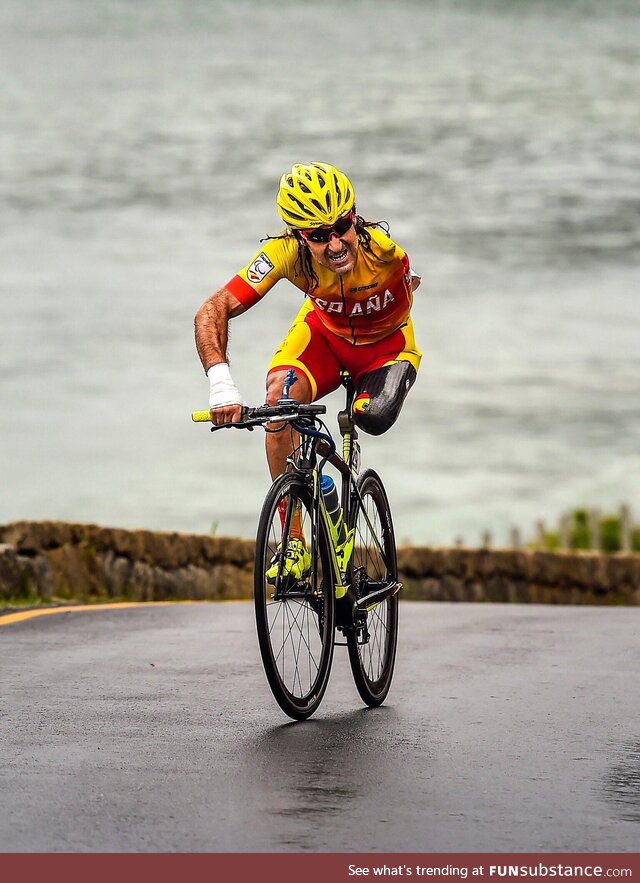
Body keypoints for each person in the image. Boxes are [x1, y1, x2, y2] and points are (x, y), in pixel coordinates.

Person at [194, 162, 421, 577]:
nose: (335, 244)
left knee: (371, 417)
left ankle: (346, 508)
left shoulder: (385, 251)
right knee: (278, 402)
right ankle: (294, 543)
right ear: (297, 236)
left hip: (385, 350)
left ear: (356, 218)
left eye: (342, 227)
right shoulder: (284, 255)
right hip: (325, 339)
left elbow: (413, 282)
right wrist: (220, 383)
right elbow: (213, 309)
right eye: (318, 236)